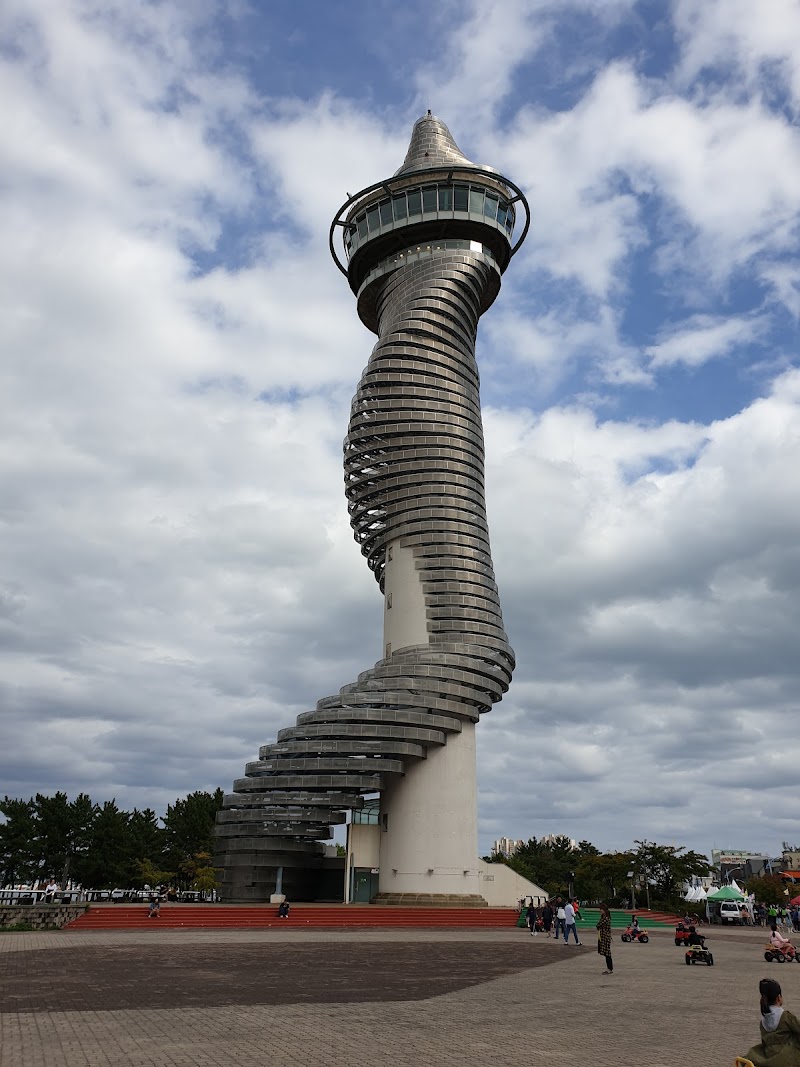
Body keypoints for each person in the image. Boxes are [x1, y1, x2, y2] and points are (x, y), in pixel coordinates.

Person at [743, 978, 800, 1067]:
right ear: (779, 998)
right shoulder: (786, 1017)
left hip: (769, 1057)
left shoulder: (764, 1020)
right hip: (786, 1058)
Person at [597, 902, 613, 975]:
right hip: (604, 936)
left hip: (605, 937)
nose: (600, 911)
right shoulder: (605, 918)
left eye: (601, 909)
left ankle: (609, 969)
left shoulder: (605, 919)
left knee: (607, 953)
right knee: (607, 953)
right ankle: (609, 968)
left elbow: (598, 925)